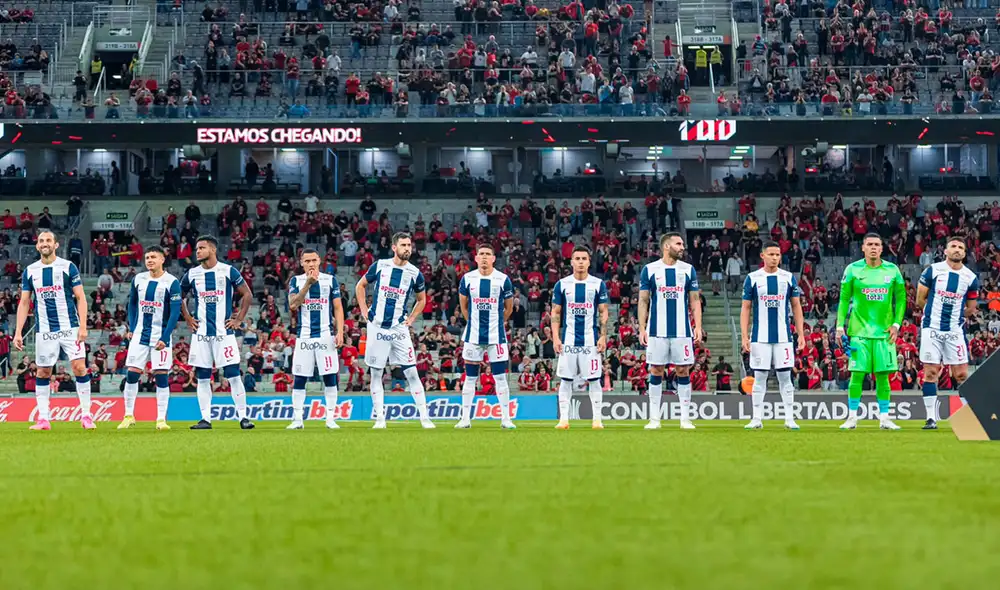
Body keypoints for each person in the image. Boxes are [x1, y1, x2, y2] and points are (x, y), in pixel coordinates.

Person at [13, 231, 93, 430]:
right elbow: (24, 302)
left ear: (56, 245)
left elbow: (81, 297)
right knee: (43, 372)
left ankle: (86, 416)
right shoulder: (30, 271)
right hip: (45, 330)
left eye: (48, 240)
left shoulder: (68, 267)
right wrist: (18, 332)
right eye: (41, 241)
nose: (44, 243)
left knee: (79, 368)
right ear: (37, 245)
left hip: (70, 327)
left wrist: (83, 326)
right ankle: (43, 419)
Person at [355, 232, 433, 428]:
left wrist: (413, 318)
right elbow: (360, 286)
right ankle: (380, 419)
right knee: (376, 374)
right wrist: (364, 310)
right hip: (377, 326)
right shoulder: (380, 266)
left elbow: (422, 299)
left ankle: (425, 418)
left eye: (409, 245)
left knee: (412, 373)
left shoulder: (415, 273)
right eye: (404, 245)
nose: (408, 248)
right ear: (394, 247)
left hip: (399, 327)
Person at [180, 235, 255, 430]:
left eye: (202, 248)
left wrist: (238, 319)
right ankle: (205, 419)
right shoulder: (191, 274)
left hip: (224, 334)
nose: (197, 251)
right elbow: (178, 297)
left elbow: (247, 294)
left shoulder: (227, 271)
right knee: (203, 377)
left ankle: (243, 417)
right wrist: (188, 318)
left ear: (213, 250)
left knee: (233, 375)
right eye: (197, 248)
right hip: (201, 334)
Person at [837, 233, 906, 430]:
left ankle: (884, 418)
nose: (874, 247)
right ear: (863, 248)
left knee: (883, 376)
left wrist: (896, 325)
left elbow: (901, 299)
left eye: (877, 244)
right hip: (859, 332)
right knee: (856, 375)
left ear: (882, 248)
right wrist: (840, 326)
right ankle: (852, 417)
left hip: (885, 333)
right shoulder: (853, 269)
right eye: (870, 244)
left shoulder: (892, 270)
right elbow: (843, 300)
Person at [638, 232, 703, 430]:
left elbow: (694, 300)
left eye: (682, 243)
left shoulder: (688, 270)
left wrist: (698, 326)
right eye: (678, 243)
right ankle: (655, 419)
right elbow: (643, 300)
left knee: (682, 370)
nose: (682, 247)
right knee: (656, 370)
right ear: (667, 246)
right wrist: (642, 328)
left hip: (682, 331)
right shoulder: (649, 270)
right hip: (657, 330)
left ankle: (685, 418)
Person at [915, 237, 979, 430]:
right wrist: (935, 314)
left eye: (961, 247)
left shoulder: (970, 278)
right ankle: (931, 419)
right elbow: (920, 299)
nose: (957, 250)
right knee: (931, 372)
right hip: (931, 329)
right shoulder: (933, 270)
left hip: (955, 331)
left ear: (965, 253)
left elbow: (971, 308)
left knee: (961, 375)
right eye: (953, 246)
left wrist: (955, 317)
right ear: (945, 251)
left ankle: (968, 418)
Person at [740, 241, 805, 430]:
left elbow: (796, 306)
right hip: (760, 338)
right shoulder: (752, 278)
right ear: (763, 256)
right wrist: (745, 336)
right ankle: (756, 419)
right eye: (771, 254)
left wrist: (800, 334)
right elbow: (746, 308)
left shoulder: (787, 278)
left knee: (785, 377)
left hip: (784, 337)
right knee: (759, 377)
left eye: (777, 255)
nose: (775, 258)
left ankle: (789, 419)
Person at [119, 246, 181, 431]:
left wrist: (165, 336)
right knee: (132, 374)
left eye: (153, 257)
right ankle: (128, 415)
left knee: (161, 376)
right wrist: (131, 326)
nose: (150, 260)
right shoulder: (139, 279)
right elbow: (132, 304)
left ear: (162, 259)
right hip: (139, 334)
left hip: (160, 336)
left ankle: (161, 419)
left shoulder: (171, 282)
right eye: (147, 257)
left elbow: (175, 313)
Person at [455, 244, 515, 429]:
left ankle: (506, 419)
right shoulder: (467, 279)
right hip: (473, 336)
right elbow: (463, 307)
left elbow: (509, 308)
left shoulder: (503, 280)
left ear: (493, 258)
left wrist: (496, 324)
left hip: (496, 337)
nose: (484, 257)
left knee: (500, 378)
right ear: (476, 257)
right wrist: (473, 323)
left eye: (488, 254)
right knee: (470, 378)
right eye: (481, 254)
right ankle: (465, 419)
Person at [286, 248, 345, 429]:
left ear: (319, 261)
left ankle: (330, 419)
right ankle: (297, 420)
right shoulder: (296, 281)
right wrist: (307, 285)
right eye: (307, 261)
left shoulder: (330, 280)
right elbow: (293, 305)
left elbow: (337, 307)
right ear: (301, 263)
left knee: (329, 377)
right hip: (304, 337)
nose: (311, 264)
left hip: (326, 336)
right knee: (300, 378)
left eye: (313, 260)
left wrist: (340, 332)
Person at [551, 245, 609, 430]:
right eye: (577, 259)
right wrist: (555, 338)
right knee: (566, 380)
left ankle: (597, 419)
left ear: (589, 262)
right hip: (568, 341)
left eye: (584, 258)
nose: (581, 262)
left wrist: (603, 336)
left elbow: (603, 312)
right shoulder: (562, 284)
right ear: (572, 262)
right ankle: (564, 420)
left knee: (594, 380)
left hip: (590, 342)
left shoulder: (598, 284)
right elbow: (555, 313)